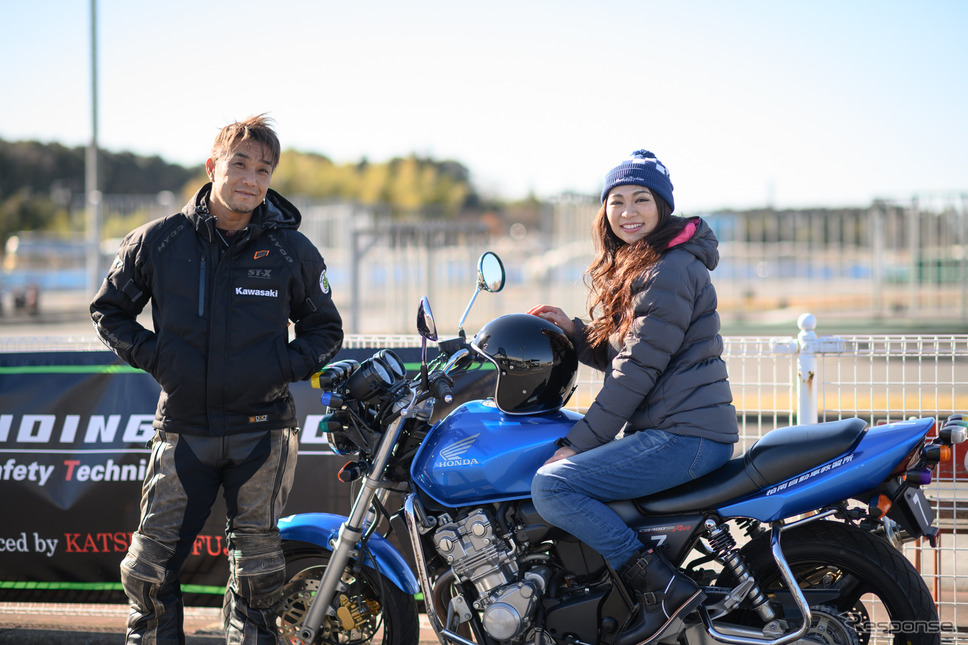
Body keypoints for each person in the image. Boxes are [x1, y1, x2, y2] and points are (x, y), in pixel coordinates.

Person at [90, 114, 343, 644]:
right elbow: (108, 311)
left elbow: (326, 330)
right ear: (213, 167)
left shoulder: (291, 250)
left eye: (264, 169)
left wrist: (280, 368)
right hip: (183, 429)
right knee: (147, 569)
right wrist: (159, 359)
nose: (251, 178)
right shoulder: (158, 241)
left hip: (263, 433)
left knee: (258, 577)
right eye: (240, 164)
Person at [528, 149, 738, 645]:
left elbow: (636, 372)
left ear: (662, 207)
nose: (628, 212)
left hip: (683, 437)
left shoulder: (668, 270)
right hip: (681, 431)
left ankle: (660, 589)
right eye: (617, 201)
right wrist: (574, 332)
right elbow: (634, 353)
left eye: (641, 199)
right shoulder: (652, 265)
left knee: (552, 487)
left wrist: (579, 444)